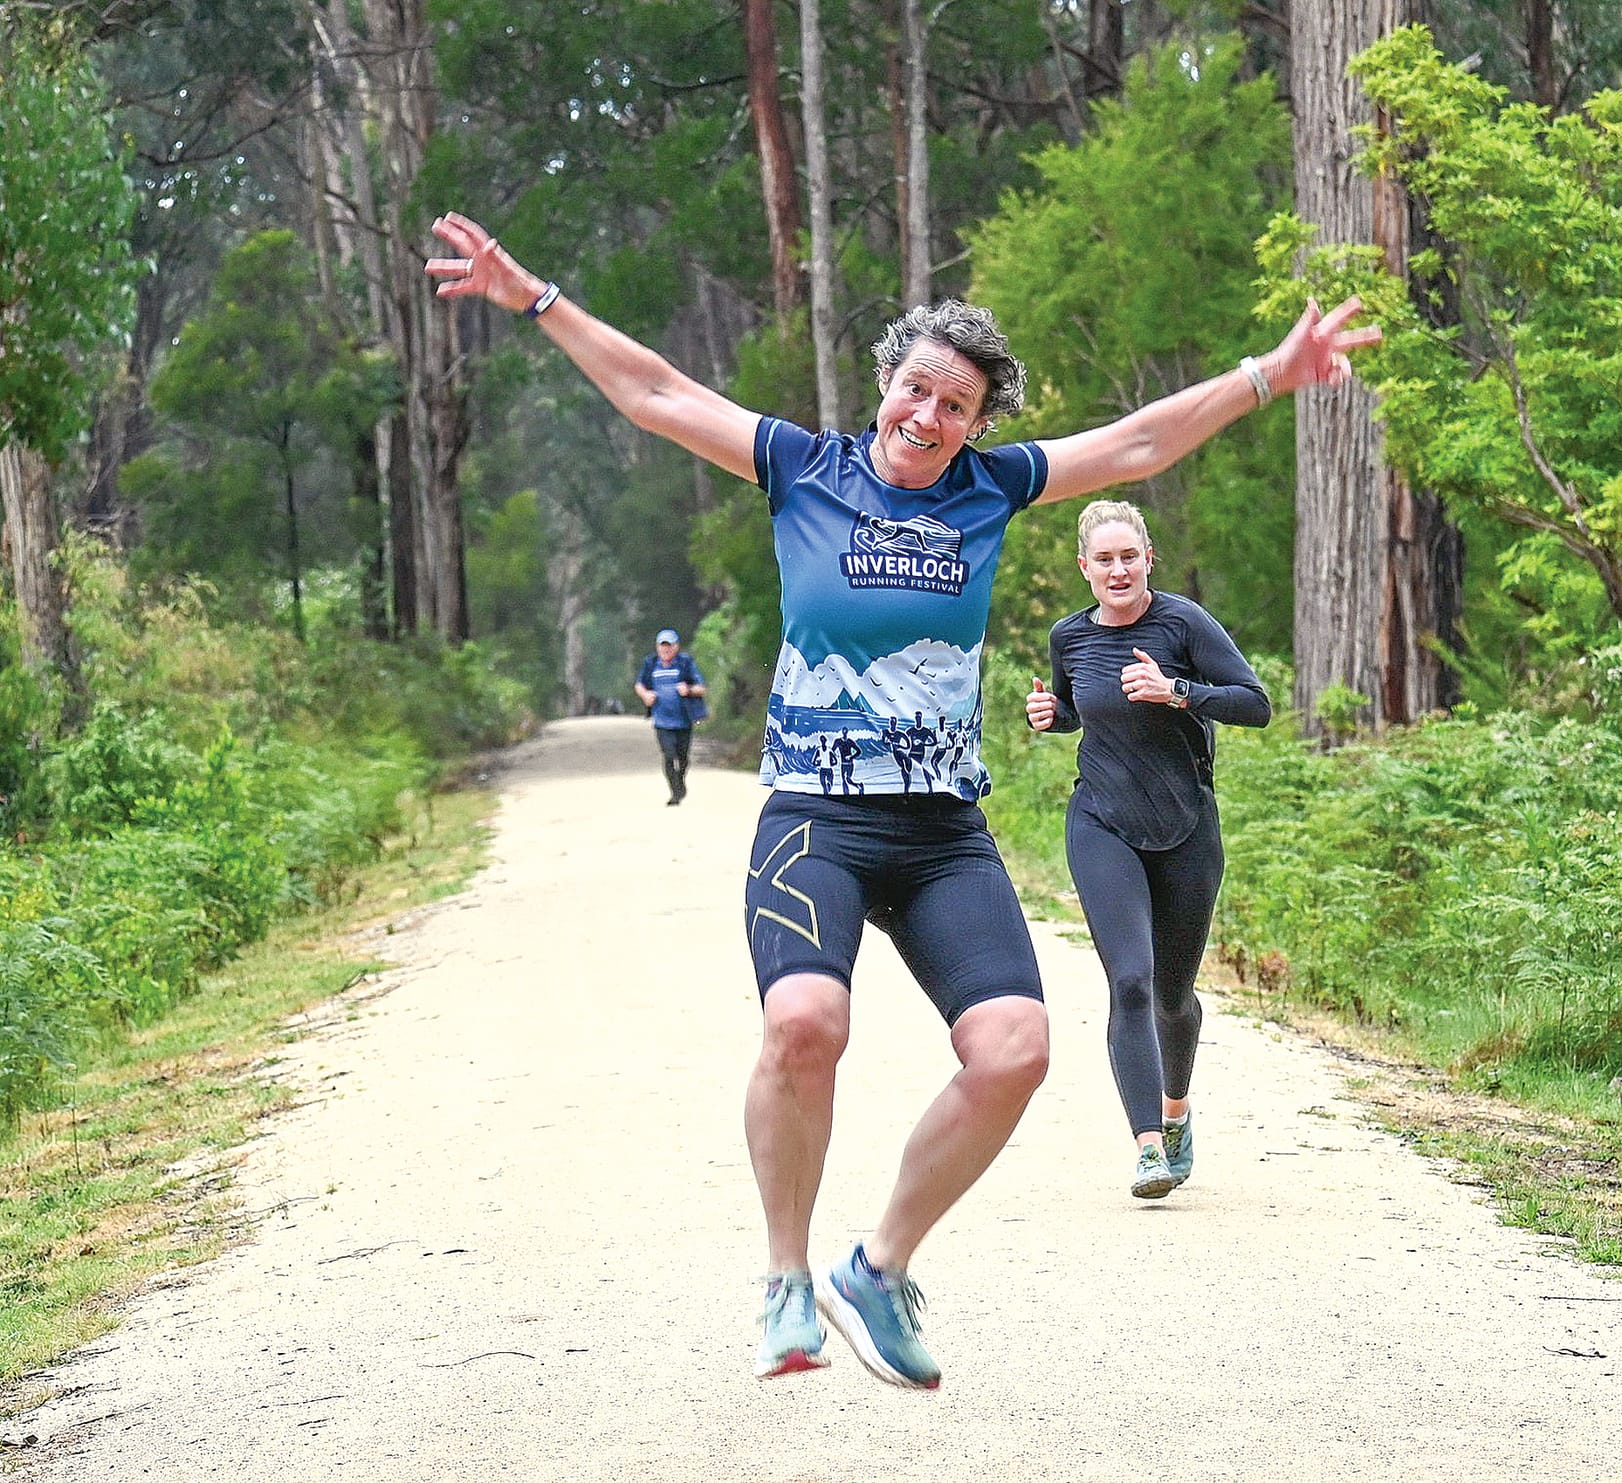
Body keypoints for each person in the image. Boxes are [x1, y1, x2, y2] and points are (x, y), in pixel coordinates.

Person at [425, 209, 1379, 1390]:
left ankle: (878, 1267)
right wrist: (535, 298)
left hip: (939, 828)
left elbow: (1135, 443)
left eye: (957, 407)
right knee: (803, 1025)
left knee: (1015, 1048)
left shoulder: (990, 489)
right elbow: (660, 392)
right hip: (817, 817)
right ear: (885, 381)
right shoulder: (800, 466)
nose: (929, 420)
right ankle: (785, 1279)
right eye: (917, 390)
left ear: (977, 427)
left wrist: (1264, 375)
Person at [1025, 501, 1270, 1200]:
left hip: (1186, 824)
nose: (1118, 569)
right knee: (1129, 979)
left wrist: (1179, 692)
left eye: (1128, 557)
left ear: (1148, 559)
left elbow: (1255, 702)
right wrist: (1054, 715)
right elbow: (1079, 706)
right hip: (1101, 819)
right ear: (1085, 569)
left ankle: (1176, 1110)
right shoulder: (1068, 636)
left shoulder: (1183, 624)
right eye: (1104, 560)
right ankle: (1147, 1149)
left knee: (1171, 995)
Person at [634, 627, 708, 804]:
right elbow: (639, 684)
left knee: (683, 758)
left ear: (676, 647)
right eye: (662, 646)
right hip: (662, 721)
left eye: (669, 645)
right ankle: (675, 792)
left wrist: (688, 690)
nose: (666, 649)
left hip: (683, 721)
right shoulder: (651, 664)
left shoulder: (685, 664)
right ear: (657, 647)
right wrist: (646, 696)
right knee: (668, 755)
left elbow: (702, 688)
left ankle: (680, 781)